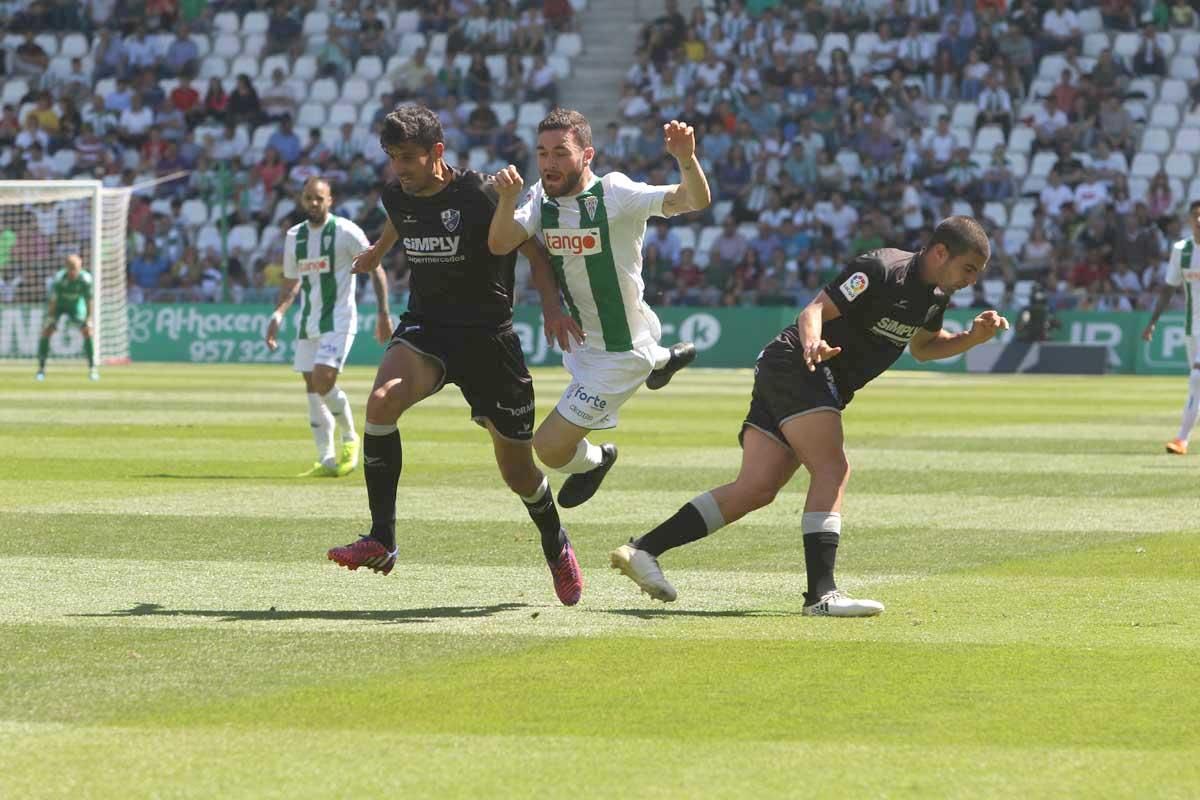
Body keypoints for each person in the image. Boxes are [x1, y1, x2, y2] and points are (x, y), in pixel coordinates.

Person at [609, 217, 1010, 616]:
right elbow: (813, 310)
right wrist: (814, 342)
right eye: (969, 268)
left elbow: (924, 348)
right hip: (799, 365)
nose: (972, 280)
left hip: (800, 375)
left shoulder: (936, 296)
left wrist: (971, 338)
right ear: (941, 252)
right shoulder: (881, 269)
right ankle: (822, 594)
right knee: (832, 467)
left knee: (756, 489)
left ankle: (643, 550)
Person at [325, 105, 589, 606]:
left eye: (408, 157)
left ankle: (555, 542)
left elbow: (530, 248)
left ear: (437, 153)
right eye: (391, 157)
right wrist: (379, 251)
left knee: (519, 474)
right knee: (380, 402)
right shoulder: (395, 194)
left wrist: (552, 306)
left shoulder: (480, 193)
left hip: (490, 339)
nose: (399, 168)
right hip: (428, 328)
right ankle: (382, 538)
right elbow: (399, 219)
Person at [488, 109, 710, 514]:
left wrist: (685, 158)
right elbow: (502, 242)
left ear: (586, 155)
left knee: (549, 449)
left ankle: (599, 458)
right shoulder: (541, 196)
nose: (549, 163)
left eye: (560, 153)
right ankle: (663, 361)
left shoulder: (615, 193)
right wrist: (506, 200)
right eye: (542, 153)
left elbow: (694, 199)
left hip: (621, 353)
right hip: (586, 340)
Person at [265, 177, 391, 478]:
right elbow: (292, 280)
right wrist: (279, 314)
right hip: (309, 321)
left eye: (319, 198)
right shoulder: (294, 236)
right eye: (308, 198)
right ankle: (326, 458)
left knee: (323, 380)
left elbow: (375, 266)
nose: (314, 203)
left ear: (330, 200)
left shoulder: (346, 231)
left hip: (340, 318)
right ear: (301, 200)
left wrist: (383, 313)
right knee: (312, 390)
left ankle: (350, 438)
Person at [1141, 200, 1200, 455]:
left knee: (1197, 377)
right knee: (1196, 384)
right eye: (1196, 216)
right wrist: (1153, 322)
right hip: (1193, 326)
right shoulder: (1181, 249)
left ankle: (1181, 439)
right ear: (1189, 219)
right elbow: (1169, 288)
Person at [36, 254, 98, 381]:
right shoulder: (59, 279)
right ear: (66, 268)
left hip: (76, 306)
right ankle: (41, 369)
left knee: (87, 331)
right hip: (59, 306)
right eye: (71, 268)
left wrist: (89, 318)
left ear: (80, 268)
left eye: (76, 268)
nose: (73, 272)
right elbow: (53, 300)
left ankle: (93, 369)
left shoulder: (85, 279)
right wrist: (51, 318)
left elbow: (89, 300)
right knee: (46, 331)